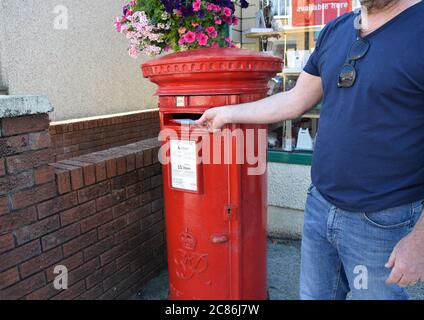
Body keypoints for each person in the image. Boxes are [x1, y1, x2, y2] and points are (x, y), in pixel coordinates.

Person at [196, 0, 424, 300]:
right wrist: (227, 114)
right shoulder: (335, 30)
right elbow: (296, 99)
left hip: (382, 219)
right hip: (320, 205)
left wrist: (419, 241)